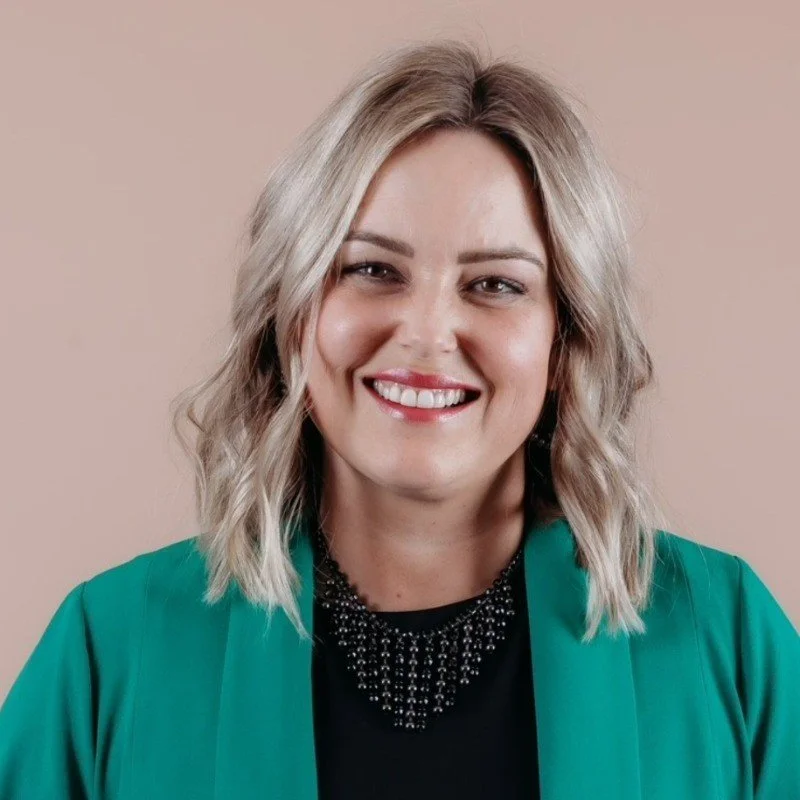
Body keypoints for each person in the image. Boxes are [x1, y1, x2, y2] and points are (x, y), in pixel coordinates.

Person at [1, 38, 798, 800]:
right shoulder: (111, 654)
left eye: (496, 284)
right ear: (291, 311)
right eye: (373, 269)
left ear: (567, 341)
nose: (426, 333)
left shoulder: (726, 644)